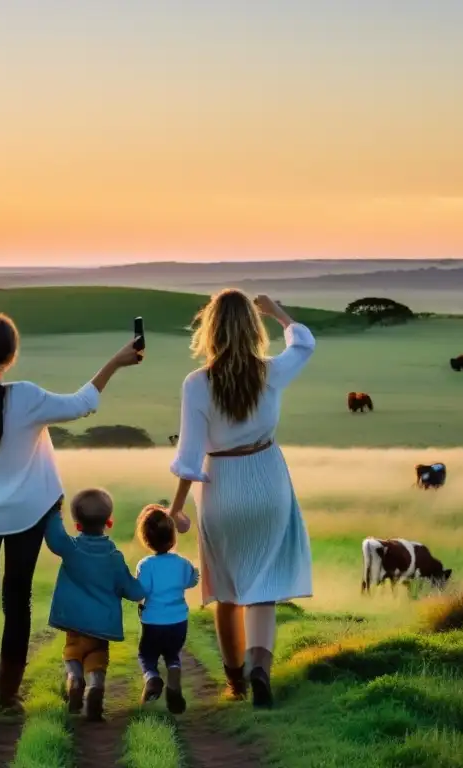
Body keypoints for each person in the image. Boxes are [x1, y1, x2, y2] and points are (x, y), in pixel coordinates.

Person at [0, 312, 142, 708]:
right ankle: (8, 693)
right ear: (11, 355)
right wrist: (116, 361)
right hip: (27, 515)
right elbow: (83, 403)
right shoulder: (28, 396)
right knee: (17, 598)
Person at [167, 289, 314, 708]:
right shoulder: (271, 372)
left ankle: (235, 683)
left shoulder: (196, 384)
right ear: (254, 329)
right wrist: (278, 312)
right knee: (262, 587)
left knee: (227, 591)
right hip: (267, 480)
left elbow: (189, 457)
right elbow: (304, 344)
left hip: (221, 486)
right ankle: (260, 669)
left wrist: (175, 510)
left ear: (209, 331)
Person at [43, 488, 145, 721]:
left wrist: (54, 510)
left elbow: (55, 536)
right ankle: (95, 687)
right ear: (109, 522)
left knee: (72, 653)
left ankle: (74, 678)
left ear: (77, 526)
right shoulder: (114, 558)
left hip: (74, 622)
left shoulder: (71, 549)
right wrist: (147, 585)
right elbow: (132, 590)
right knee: (97, 658)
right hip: (101, 626)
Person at [134, 503, 199, 714]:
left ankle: (152, 678)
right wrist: (192, 573)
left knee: (147, 655)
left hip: (153, 621)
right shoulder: (182, 563)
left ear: (146, 539)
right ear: (172, 536)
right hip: (178, 621)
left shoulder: (145, 565)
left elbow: (141, 590)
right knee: (173, 654)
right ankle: (173, 675)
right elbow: (192, 580)